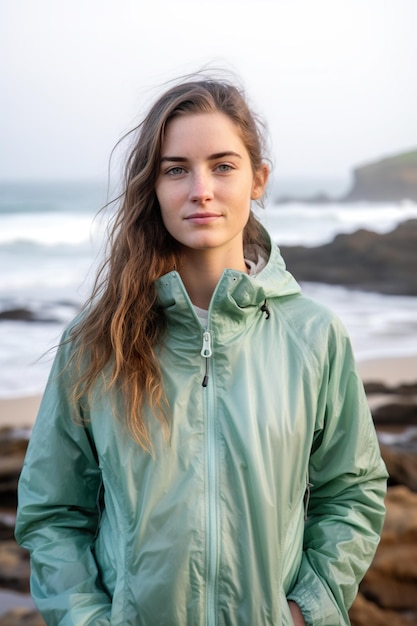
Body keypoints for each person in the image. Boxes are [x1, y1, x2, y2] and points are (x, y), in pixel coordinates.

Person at [15, 75, 388, 626]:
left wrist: (307, 610)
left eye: (223, 165)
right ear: (154, 187)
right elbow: (52, 513)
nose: (201, 189)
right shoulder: (98, 343)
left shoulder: (314, 337)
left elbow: (352, 490)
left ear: (258, 179)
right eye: (175, 169)